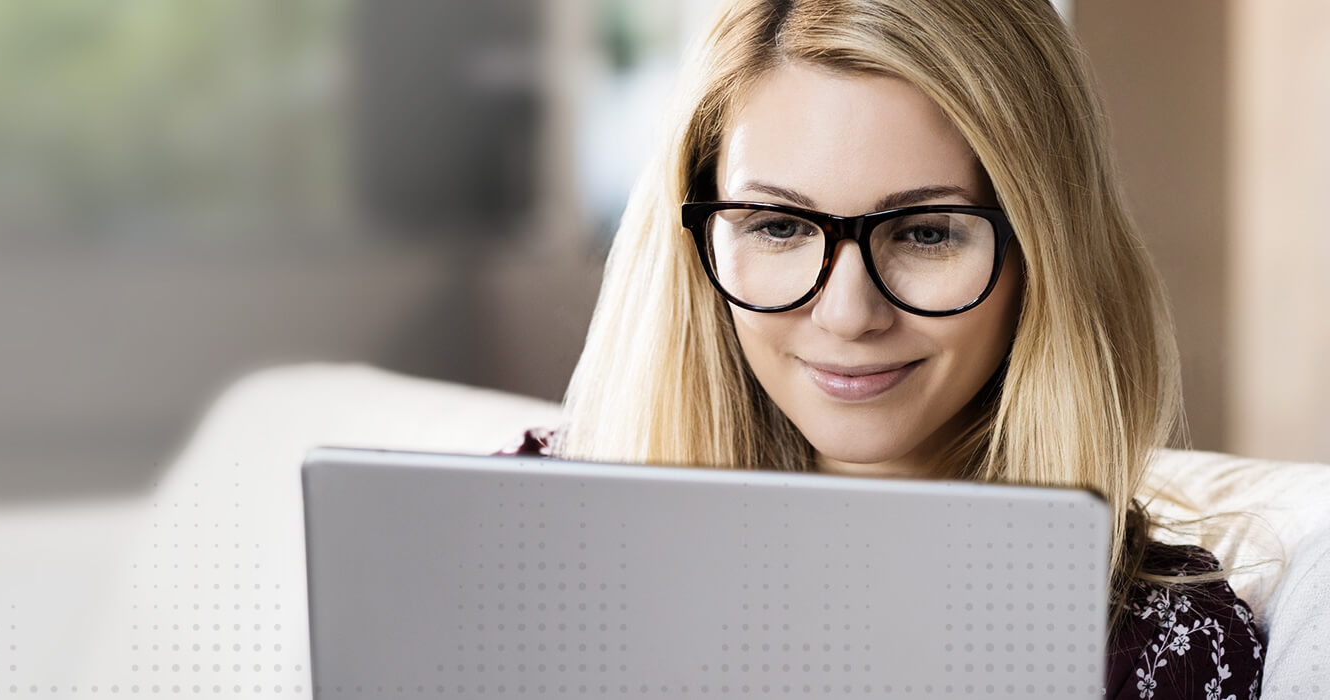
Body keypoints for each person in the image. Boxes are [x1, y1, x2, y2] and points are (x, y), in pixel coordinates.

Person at [499, 1, 1265, 697]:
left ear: (1047, 251)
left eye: (927, 232)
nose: (847, 313)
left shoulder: (1161, 654)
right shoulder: (526, 530)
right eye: (778, 226)